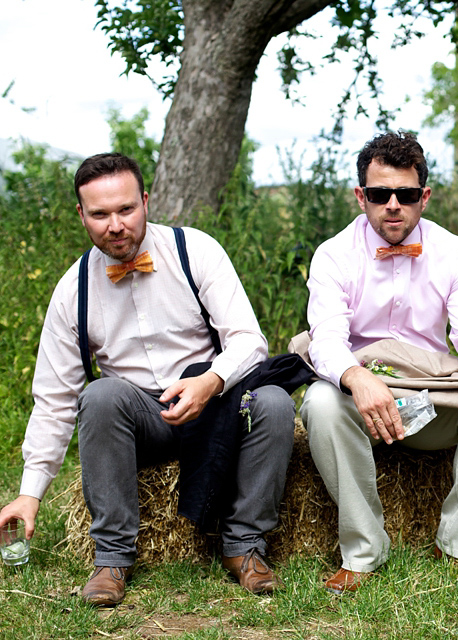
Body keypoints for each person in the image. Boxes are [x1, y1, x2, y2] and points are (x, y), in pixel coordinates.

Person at [0, 153, 296, 606]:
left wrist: (211, 381)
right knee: (99, 396)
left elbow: (249, 341)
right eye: (99, 214)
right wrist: (29, 493)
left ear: (145, 200)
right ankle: (113, 558)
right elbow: (54, 400)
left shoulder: (194, 250)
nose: (115, 225)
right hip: (144, 419)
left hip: (216, 406)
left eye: (125, 209)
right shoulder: (72, 291)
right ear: (81, 214)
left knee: (273, 403)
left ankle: (245, 548)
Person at [300, 131, 458, 594]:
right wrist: (355, 377)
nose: (393, 205)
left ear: (424, 196)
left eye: (405, 194)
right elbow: (325, 338)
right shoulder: (333, 255)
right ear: (361, 197)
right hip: (361, 404)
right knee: (320, 402)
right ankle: (364, 551)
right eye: (381, 194)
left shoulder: (454, 251)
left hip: (427, 400)